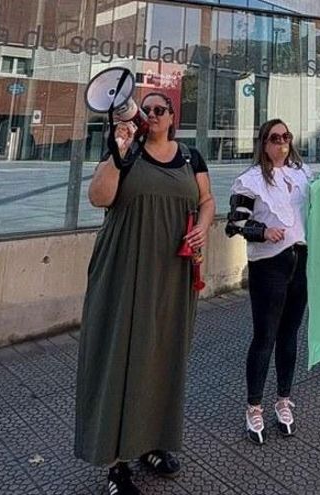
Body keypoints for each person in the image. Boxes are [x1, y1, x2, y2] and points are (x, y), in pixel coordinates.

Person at [75, 92, 215, 495]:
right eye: (146, 109)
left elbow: (206, 200)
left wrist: (203, 226)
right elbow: (99, 197)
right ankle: (115, 463)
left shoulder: (190, 157)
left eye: (159, 109)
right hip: (124, 271)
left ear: (172, 117)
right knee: (119, 357)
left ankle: (152, 444)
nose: (151, 114)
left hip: (172, 274)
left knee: (163, 358)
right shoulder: (125, 151)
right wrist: (118, 150)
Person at [225, 119, 311, 445]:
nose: (281, 142)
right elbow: (234, 224)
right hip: (269, 265)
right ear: (263, 143)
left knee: (290, 335)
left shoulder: (302, 175)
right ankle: (254, 406)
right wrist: (262, 231)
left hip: (299, 260)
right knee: (265, 337)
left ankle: (284, 400)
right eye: (274, 138)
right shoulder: (250, 181)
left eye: (286, 136)